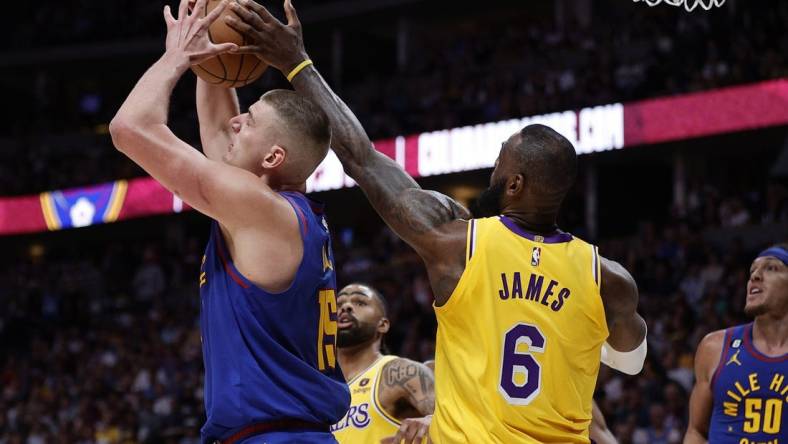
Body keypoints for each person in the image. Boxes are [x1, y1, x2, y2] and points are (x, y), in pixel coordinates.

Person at [227, 1, 646, 442]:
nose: (493, 171)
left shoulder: (457, 243)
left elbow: (361, 158)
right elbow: (629, 362)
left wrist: (298, 64)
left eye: (499, 163)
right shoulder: (609, 279)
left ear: (515, 184)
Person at [108, 0, 349, 442]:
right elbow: (220, 132)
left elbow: (130, 128)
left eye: (251, 122)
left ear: (274, 157)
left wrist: (176, 57)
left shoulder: (258, 208)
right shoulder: (277, 211)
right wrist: (213, 51)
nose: (237, 122)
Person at [684, 244, 788, 443]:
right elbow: (696, 430)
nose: (755, 276)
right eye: (752, 271)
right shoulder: (714, 346)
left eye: (771, 268)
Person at [332, 283, 434, 444]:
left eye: (360, 302)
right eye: (338, 304)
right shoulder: (318, 386)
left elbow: (449, 419)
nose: (346, 307)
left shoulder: (400, 372)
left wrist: (432, 420)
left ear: (383, 324)